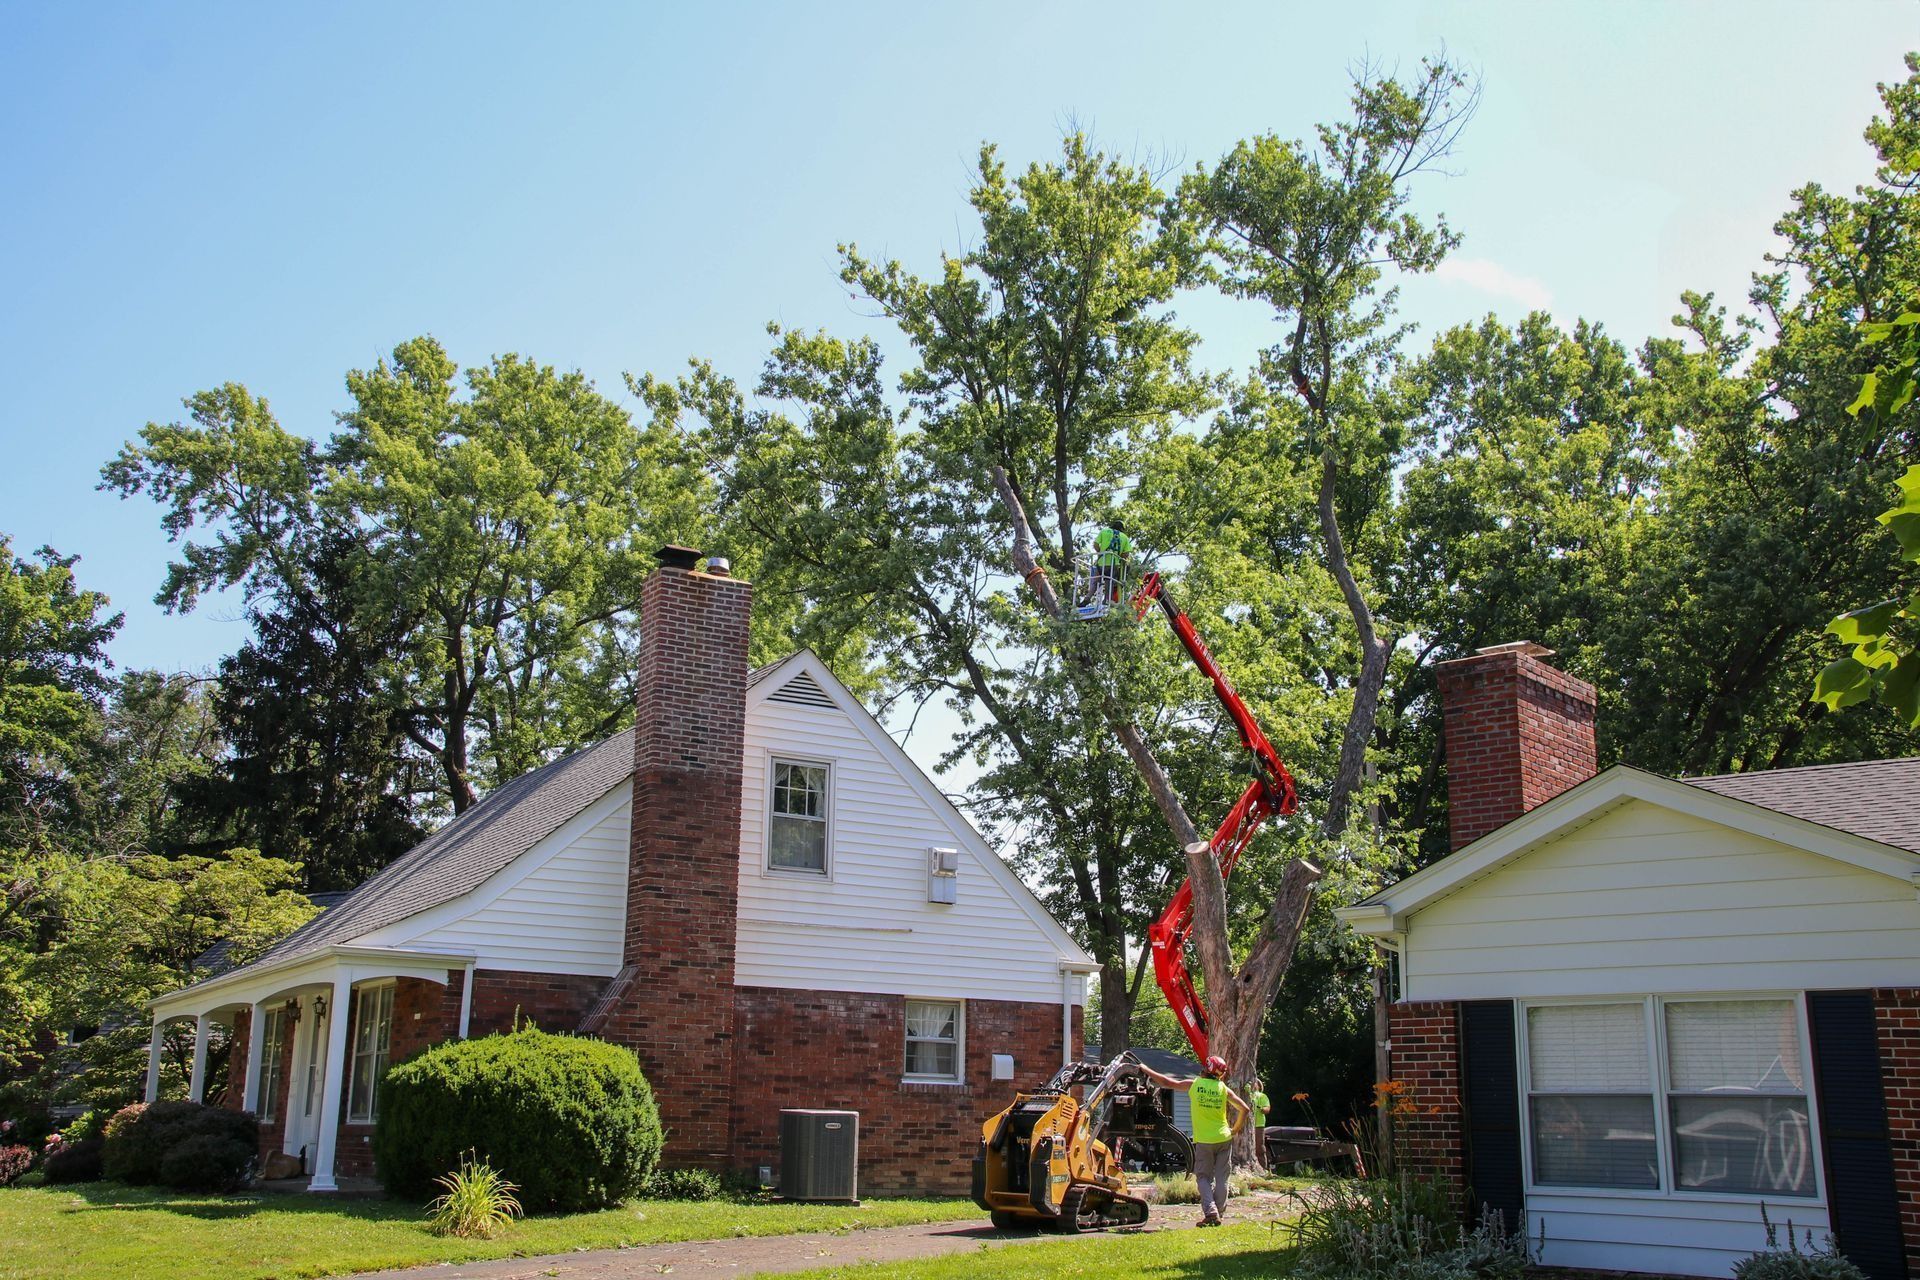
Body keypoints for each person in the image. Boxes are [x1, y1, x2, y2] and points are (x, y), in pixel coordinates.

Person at [1135, 1053, 1250, 1227]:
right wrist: (1235, 1129)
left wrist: (1145, 1069)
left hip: (1204, 1140)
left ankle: (1211, 1212)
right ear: (1221, 1074)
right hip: (1223, 1138)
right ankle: (1218, 1213)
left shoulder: (1195, 1085)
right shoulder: (1223, 1089)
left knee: (1203, 1177)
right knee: (1222, 1178)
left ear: (1206, 1068)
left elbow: (1167, 1083)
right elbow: (1245, 1109)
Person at [1078, 521, 1134, 619]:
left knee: (1095, 582)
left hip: (1101, 563)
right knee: (1109, 583)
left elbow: (1095, 544)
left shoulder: (1104, 531)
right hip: (1113, 564)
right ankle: (1106, 601)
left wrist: (1100, 553)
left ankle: (1086, 600)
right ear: (1121, 528)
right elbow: (1126, 554)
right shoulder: (1124, 537)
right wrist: (1118, 557)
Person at [1248, 1080, 1272, 1169]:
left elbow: (1267, 1108)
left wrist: (1262, 1109)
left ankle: (1263, 1167)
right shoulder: (1246, 1094)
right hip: (1246, 1125)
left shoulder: (1262, 1096)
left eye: (1254, 1083)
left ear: (1258, 1086)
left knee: (1259, 1147)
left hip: (1258, 1125)